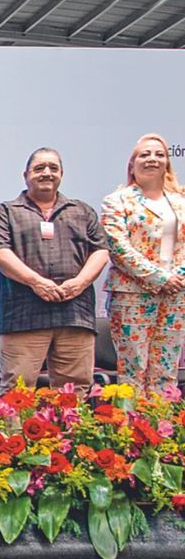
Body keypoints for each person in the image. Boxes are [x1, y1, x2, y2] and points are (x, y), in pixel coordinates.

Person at [0, 148, 109, 395]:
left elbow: (101, 251)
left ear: (61, 174)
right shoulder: (7, 211)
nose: (47, 173)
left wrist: (80, 282)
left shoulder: (82, 211)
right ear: (25, 175)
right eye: (39, 168)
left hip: (75, 314)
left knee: (75, 393)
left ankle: (72, 436)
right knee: (17, 394)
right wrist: (36, 282)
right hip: (23, 317)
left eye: (53, 168)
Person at [100, 133, 185, 397]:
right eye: (145, 154)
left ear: (167, 163)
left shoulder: (180, 201)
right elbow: (118, 247)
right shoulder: (117, 200)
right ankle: (131, 434)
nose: (152, 159)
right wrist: (160, 278)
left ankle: (162, 434)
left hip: (176, 295)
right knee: (133, 371)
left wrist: (178, 277)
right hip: (132, 294)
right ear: (132, 164)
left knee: (166, 372)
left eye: (159, 154)